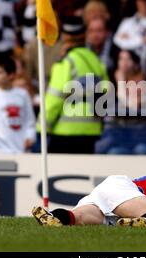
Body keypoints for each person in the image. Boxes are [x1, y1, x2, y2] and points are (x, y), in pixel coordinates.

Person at [44, 16, 109, 154]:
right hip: (91, 131)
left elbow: (55, 97)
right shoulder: (95, 60)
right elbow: (107, 93)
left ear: (65, 37)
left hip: (65, 132)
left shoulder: (67, 61)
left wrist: (42, 126)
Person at [0, 57, 36, 154]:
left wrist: (30, 137)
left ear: (11, 75)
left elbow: (30, 121)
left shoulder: (23, 95)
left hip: (21, 152)